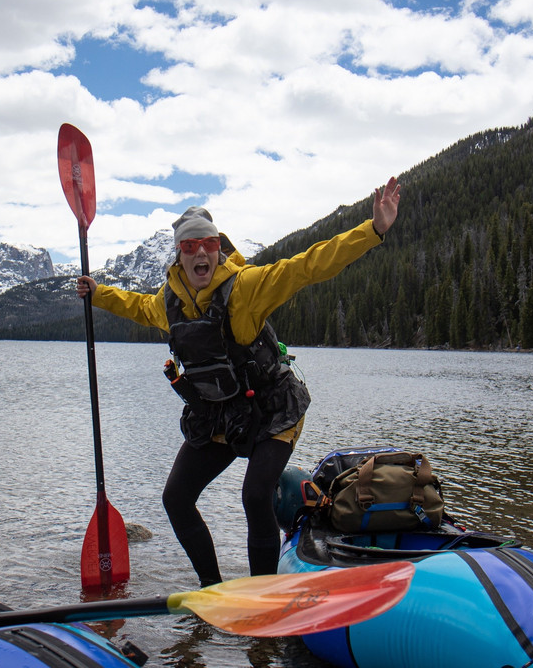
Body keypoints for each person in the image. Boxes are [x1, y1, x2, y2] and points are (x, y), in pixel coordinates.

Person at [76, 178, 401, 585]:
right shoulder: (169, 302)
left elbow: (307, 266)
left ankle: (262, 595)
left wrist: (373, 231)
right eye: (190, 245)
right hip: (221, 416)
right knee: (176, 498)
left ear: (219, 248)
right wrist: (99, 293)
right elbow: (138, 306)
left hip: (273, 409)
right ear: (179, 254)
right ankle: (213, 590)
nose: (201, 252)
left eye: (209, 244)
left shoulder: (246, 287)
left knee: (255, 495)